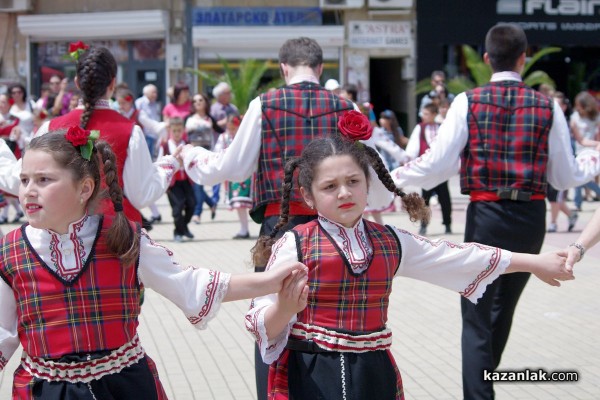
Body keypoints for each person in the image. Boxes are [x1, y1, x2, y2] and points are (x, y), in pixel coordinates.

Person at [246, 117, 574, 400]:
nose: (344, 193)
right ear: (307, 195)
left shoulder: (390, 241)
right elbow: (260, 321)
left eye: (353, 182)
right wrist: (284, 309)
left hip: (375, 372)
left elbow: (457, 257)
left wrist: (534, 262)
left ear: (367, 184)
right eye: (330, 186)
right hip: (312, 374)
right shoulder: (294, 244)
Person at [0, 130, 307, 399]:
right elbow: (3, 332)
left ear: (85, 188)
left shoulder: (121, 239)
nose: (28, 190)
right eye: (25, 179)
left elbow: (190, 284)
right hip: (45, 390)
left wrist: (269, 282)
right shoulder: (10, 251)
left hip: (124, 387)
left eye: (44, 180)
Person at [391, 23, 600, 400]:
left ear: (487, 59)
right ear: (524, 58)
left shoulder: (467, 101)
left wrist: (389, 178)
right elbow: (565, 176)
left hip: (486, 213)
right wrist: (591, 157)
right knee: (501, 313)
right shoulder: (546, 105)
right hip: (531, 217)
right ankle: (483, 385)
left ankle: (479, 392)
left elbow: (438, 166)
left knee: (476, 318)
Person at [181, 37, 390, 400]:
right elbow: (368, 172)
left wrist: (192, 157)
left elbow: (234, 166)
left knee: (273, 319)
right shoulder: (344, 106)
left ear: (283, 68)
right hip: (337, 231)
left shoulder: (265, 103)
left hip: (282, 228)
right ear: (321, 68)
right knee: (333, 320)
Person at [14, 45, 180, 226]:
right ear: (112, 84)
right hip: (113, 230)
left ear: (77, 82)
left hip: (61, 227)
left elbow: (22, 180)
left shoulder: (50, 127)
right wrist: (169, 164)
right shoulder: (130, 131)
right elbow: (141, 195)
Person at [405, 103, 452, 235]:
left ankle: (448, 223)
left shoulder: (441, 128)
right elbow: (413, 146)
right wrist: (410, 160)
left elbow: (448, 145)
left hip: (441, 169)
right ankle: (423, 224)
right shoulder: (420, 128)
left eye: (426, 113)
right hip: (427, 169)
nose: (423, 116)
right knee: (425, 198)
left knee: (444, 198)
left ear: (433, 115)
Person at [157, 117, 196, 242]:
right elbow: (160, 162)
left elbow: (193, 160)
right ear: (170, 131)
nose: (177, 133)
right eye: (174, 131)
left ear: (183, 130)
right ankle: (178, 232)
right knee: (178, 206)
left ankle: (183, 227)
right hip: (173, 183)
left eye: (179, 130)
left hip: (186, 180)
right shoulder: (165, 145)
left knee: (192, 203)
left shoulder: (187, 144)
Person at [214, 115, 253, 239]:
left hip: (248, 174)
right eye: (229, 128)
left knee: (250, 203)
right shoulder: (224, 137)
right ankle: (244, 229)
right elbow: (217, 152)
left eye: (234, 128)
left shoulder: (246, 138)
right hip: (233, 176)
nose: (231, 131)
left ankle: (249, 228)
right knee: (238, 204)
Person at [185, 92, 221, 224]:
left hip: (206, 154)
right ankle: (205, 208)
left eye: (200, 100)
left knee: (199, 184)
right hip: (193, 155)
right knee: (197, 184)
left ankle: (198, 212)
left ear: (205, 102)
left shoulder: (210, 119)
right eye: (195, 101)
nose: (197, 103)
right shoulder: (189, 118)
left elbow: (220, 131)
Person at [547, 91, 578, 232]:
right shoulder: (548, 120)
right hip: (546, 164)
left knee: (555, 197)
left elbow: (576, 142)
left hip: (561, 164)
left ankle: (553, 223)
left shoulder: (567, 122)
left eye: (558, 104)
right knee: (552, 197)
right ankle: (572, 214)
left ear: (564, 107)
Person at [570, 91, 600, 211]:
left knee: (581, 178)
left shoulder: (596, 117)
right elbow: (581, 140)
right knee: (580, 178)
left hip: (592, 150)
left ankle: (577, 203)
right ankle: (579, 202)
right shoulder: (575, 117)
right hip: (580, 150)